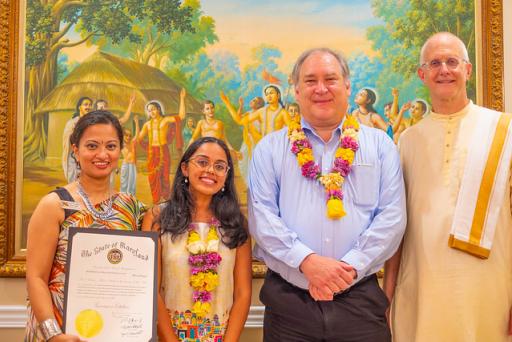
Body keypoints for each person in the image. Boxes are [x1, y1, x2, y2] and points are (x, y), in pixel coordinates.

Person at [248, 47, 406, 341]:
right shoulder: (269, 149)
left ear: (347, 86)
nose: (321, 88)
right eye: (310, 81)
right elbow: (262, 217)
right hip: (289, 305)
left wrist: (346, 270)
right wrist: (307, 262)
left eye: (330, 79)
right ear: (295, 90)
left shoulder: (381, 146)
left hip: (360, 301)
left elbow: (392, 217)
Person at [384, 32, 512, 341]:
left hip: (490, 293)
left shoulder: (504, 131)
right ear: (422, 74)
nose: (444, 70)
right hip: (422, 293)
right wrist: (386, 298)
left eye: (452, 62)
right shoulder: (406, 141)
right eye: (435, 63)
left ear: (467, 70)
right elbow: (397, 228)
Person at [25, 110, 146, 341]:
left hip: (112, 332)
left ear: (120, 150)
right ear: (75, 150)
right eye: (92, 146)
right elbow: (36, 278)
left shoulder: (132, 207)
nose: (102, 154)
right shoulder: (55, 205)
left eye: (111, 146)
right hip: (60, 330)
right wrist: (53, 334)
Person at [143, 137, 251, 342]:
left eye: (220, 166)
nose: (210, 170)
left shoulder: (236, 223)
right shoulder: (158, 217)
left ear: (226, 176)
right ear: (185, 168)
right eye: (202, 162)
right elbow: (151, 288)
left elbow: (243, 293)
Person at [136, 89, 186, 203]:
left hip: (163, 150)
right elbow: (138, 138)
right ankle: (156, 200)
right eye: (149, 111)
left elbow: (181, 116)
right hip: (152, 152)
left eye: (153, 109)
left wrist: (182, 98)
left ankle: (166, 199)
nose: (151, 112)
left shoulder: (165, 120)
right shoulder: (147, 124)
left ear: (158, 109)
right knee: (152, 177)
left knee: (164, 176)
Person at [62, 96, 93, 182]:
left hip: (88, 155)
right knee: (73, 180)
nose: (88, 107)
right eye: (85, 104)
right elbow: (67, 138)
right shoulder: (72, 122)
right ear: (80, 107)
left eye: (90, 105)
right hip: (73, 155)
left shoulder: (93, 123)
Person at [120, 115, 140, 195]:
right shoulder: (121, 144)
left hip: (132, 165)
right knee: (124, 184)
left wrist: (137, 122)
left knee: (132, 184)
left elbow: (137, 134)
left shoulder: (132, 143)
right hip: (126, 165)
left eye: (129, 136)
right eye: (126, 135)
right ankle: (123, 199)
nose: (128, 137)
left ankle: (131, 200)